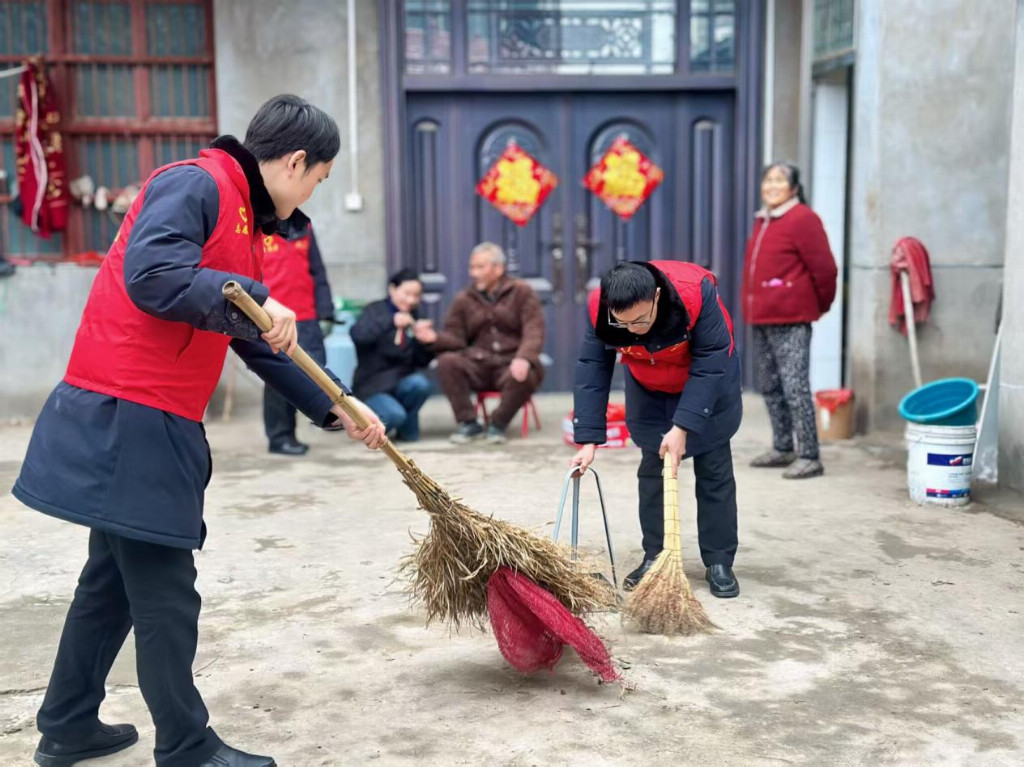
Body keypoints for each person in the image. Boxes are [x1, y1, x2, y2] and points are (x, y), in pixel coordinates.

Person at [12, 95, 386, 767]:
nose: (313, 194)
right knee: (164, 590)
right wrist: (246, 292)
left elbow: (253, 335)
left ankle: (67, 723)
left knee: (111, 582)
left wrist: (336, 404)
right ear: (296, 161)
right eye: (318, 179)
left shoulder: (242, 220)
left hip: (148, 413)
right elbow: (152, 275)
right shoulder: (196, 183)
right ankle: (187, 748)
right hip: (131, 412)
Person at [570, 261, 743, 598]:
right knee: (653, 470)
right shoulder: (599, 308)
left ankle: (719, 560)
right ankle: (655, 554)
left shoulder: (695, 294)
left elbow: (712, 359)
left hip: (706, 382)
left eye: (640, 320)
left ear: (657, 297)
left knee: (714, 469)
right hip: (648, 385)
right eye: (623, 323)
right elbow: (593, 366)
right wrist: (588, 439)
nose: (633, 330)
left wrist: (683, 426)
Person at [742, 162, 837, 479]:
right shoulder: (763, 220)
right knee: (771, 386)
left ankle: (810, 455)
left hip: (791, 318)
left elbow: (826, 270)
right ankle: (783, 448)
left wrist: (817, 306)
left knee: (795, 387)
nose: (771, 185)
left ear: (794, 188)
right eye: (767, 179)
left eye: (779, 180)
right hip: (763, 317)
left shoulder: (803, 218)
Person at [432, 242, 545, 445]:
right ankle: (469, 423)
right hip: (478, 363)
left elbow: (534, 329)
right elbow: (455, 337)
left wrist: (524, 357)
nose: (474, 273)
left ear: (498, 269)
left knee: (525, 372)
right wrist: (433, 338)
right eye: (472, 267)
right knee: (447, 362)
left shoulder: (522, 292)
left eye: (480, 267)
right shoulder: (464, 299)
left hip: (510, 363)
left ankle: (497, 424)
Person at [260, 209, 335, 455]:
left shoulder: (304, 227)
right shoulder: (259, 227)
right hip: (272, 317)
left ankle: (323, 415)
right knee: (278, 378)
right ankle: (280, 437)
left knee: (315, 371)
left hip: (306, 314)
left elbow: (317, 271)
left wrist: (325, 311)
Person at [351, 268, 435, 442]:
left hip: (400, 382)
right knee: (394, 415)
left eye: (416, 295)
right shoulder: (375, 310)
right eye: (406, 293)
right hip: (373, 386)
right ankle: (366, 427)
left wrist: (425, 344)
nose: (411, 300)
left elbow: (420, 361)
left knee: (420, 385)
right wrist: (390, 322)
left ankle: (407, 433)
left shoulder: (414, 316)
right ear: (392, 289)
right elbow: (359, 336)